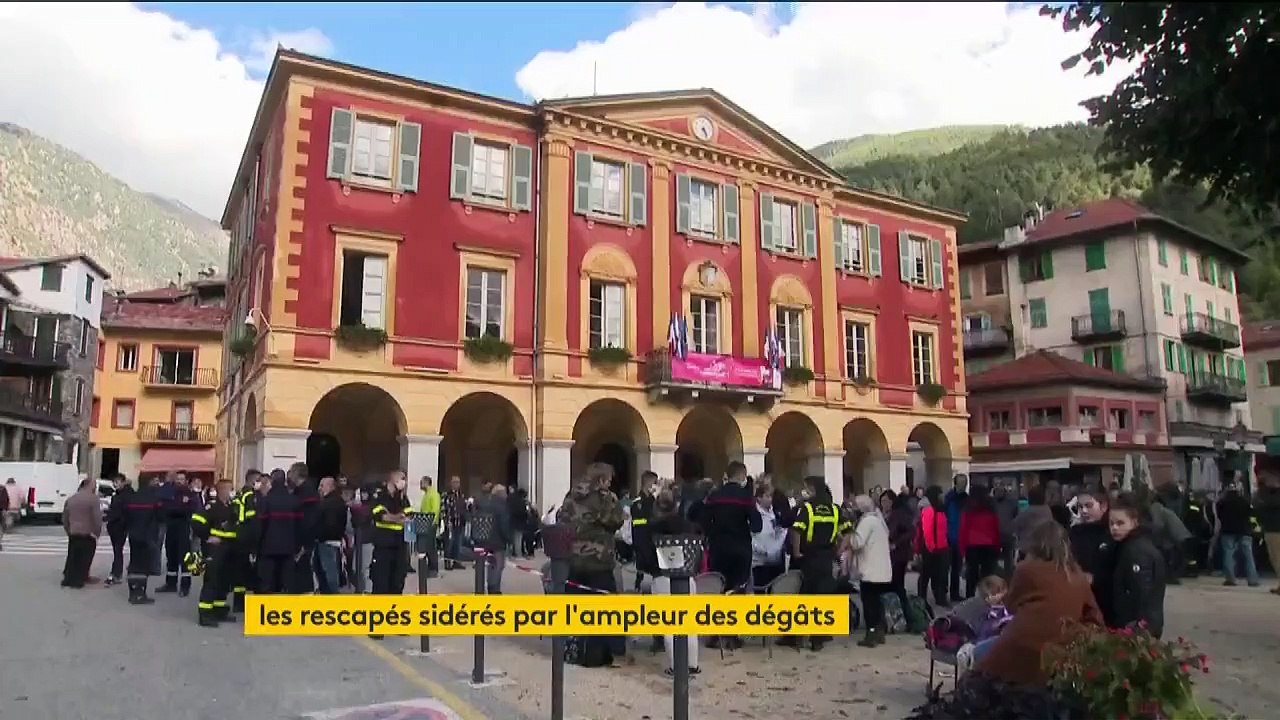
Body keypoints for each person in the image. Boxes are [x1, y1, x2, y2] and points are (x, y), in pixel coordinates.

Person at [974, 521, 1103, 686]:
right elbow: (1093, 614)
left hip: (1023, 643)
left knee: (980, 660)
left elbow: (1010, 605)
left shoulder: (1026, 569)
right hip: (1062, 648)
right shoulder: (1076, 574)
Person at [557, 463, 624, 667]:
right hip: (599, 559)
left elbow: (562, 518)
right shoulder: (607, 498)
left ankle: (572, 650)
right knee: (605, 608)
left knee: (575, 607)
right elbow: (616, 520)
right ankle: (604, 653)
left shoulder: (571, 495)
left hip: (574, 558)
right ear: (602, 479)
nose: (610, 482)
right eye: (609, 478)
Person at [779, 475, 848, 651]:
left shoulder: (808, 508)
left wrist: (796, 552)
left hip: (809, 557)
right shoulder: (834, 509)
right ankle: (817, 638)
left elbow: (796, 530)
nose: (804, 491)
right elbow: (848, 531)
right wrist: (839, 551)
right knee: (822, 597)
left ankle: (795, 636)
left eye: (807, 488)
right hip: (827, 557)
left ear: (813, 490)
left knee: (804, 597)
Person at [647, 488, 701, 677]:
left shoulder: (652, 528)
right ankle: (692, 662)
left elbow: (646, 556)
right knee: (690, 622)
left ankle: (675, 665)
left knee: (669, 623)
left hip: (662, 576)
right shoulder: (689, 526)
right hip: (687, 576)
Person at [1109, 492, 1168, 637]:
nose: (1114, 528)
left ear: (1134, 522)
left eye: (1120, 523)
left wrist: (1135, 626)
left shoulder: (1136, 550)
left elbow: (1142, 592)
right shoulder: (1131, 545)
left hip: (1139, 628)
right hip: (1142, 624)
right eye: (1111, 523)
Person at [844, 494, 892, 647]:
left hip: (871, 571)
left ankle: (870, 634)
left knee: (869, 603)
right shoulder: (878, 520)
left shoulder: (867, 522)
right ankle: (879, 631)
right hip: (881, 570)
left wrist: (848, 534)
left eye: (855, 507)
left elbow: (857, 542)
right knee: (877, 603)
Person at [191, 478, 237, 626]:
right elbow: (196, 522)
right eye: (230, 489)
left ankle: (219, 610)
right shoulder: (212, 506)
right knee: (212, 580)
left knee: (223, 580)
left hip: (228, 548)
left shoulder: (230, 506)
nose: (232, 492)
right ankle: (205, 614)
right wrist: (207, 536)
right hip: (214, 550)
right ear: (222, 490)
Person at [1067, 485, 1115, 624]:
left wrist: (1096, 579)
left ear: (1103, 506)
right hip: (1080, 598)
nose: (1084, 511)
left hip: (1106, 601)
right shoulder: (1075, 533)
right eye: (1081, 507)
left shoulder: (1112, 533)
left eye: (1089, 506)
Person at [369, 472, 411, 621]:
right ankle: (377, 624)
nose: (404, 482)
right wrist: (396, 518)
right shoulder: (380, 497)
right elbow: (380, 515)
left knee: (397, 584)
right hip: (383, 547)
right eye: (401, 479)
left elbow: (408, 516)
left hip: (399, 547)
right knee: (380, 585)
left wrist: (395, 517)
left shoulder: (403, 499)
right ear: (392, 480)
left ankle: (394, 620)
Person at [256, 469, 301, 594]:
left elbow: (261, 525)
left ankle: (267, 611)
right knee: (287, 582)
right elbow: (299, 525)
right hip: (289, 548)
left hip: (268, 547)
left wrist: (256, 546)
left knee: (267, 583)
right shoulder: (294, 500)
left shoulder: (266, 500)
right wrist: (298, 545)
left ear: (272, 481)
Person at [157, 471, 201, 596]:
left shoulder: (191, 495)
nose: (179, 481)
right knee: (171, 556)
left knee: (185, 557)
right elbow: (165, 507)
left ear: (186, 481)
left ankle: (185, 586)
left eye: (182, 479)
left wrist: (177, 509)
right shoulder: (170, 493)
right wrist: (179, 508)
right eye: (177, 479)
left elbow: (193, 509)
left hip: (184, 528)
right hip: (171, 528)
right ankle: (170, 584)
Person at [124, 475, 163, 605]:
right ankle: (140, 594)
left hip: (134, 534)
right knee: (144, 566)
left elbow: (126, 516)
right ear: (150, 482)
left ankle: (133, 592)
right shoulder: (154, 498)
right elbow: (161, 516)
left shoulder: (132, 497)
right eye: (155, 480)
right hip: (148, 535)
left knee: (134, 563)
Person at [959, 484, 1002, 598]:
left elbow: (963, 530)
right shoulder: (991, 509)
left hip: (972, 544)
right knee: (988, 576)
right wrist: (998, 547)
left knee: (971, 576)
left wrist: (962, 549)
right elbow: (996, 529)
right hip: (989, 545)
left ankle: (970, 599)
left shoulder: (968, 509)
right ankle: (988, 598)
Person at [1215, 480, 1260, 587]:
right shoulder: (1244, 501)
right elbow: (1251, 514)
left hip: (1228, 530)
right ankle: (1252, 579)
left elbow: (1219, 515)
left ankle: (1230, 579)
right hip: (1244, 531)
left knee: (1228, 554)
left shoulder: (1222, 502)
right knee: (1248, 555)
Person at [228, 469, 261, 612]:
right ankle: (241, 604)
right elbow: (252, 520)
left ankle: (238, 602)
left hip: (237, 535)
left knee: (238, 571)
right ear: (253, 480)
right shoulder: (250, 496)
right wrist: (255, 543)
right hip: (245, 536)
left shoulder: (239, 494)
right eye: (258, 480)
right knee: (244, 570)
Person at [61, 478, 102, 588]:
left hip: (73, 532)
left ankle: (69, 577)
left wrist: (68, 530)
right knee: (85, 557)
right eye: (94, 485)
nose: (95, 487)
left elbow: (65, 517)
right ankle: (81, 578)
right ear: (89, 486)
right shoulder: (93, 499)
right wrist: (97, 532)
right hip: (87, 533)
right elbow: (97, 518)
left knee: (73, 556)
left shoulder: (71, 499)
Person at [473, 483, 511, 594]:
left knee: (490, 565)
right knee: (498, 566)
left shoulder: (485, 503)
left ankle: (487, 587)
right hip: (498, 541)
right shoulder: (502, 506)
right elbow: (504, 524)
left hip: (485, 539)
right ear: (501, 494)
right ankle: (494, 589)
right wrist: (508, 538)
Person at [916, 485, 950, 608]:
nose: (942, 496)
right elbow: (927, 531)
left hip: (942, 547)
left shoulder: (941, 509)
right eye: (940, 494)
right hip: (931, 548)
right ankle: (921, 599)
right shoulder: (929, 510)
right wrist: (931, 548)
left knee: (940, 575)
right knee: (926, 575)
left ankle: (940, 598)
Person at [750, 476, 787, 589]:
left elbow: (781, 532)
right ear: (759, 498)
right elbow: (750, 537)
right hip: (759, 561)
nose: (770, 499)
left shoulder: (775, 514)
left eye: (771, 496)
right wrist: (763, 551)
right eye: (767, 496)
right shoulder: (753, 514)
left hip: (775, 561)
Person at [289, 462, 320, 593]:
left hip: (303, 541)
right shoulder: (299, 491)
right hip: (298, 539)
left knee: (303, 574)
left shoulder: (307, 493)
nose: (289, 475)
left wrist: (303, 543)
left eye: (291, 471)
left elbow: (307, 520)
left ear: (297, 474)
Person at [314, 476, 347, 593]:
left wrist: (319, 535)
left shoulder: (329, 503)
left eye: (322, 486)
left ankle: (331, 598)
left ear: (330, 486)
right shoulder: (337, 501)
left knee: (329, 573)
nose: (319, 489)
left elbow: (330, 525)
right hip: (330, 541)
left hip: (327, 542)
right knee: (325, 570)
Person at [631, 471, 659, 591]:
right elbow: (640, 521)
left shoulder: (653, 501)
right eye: (655, 483)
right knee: (643, 573)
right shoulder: (638, 502)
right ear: (648, 484)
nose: (656, 485)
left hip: (652, 540)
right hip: (642, 540)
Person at [943, 474, 969, 602]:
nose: (963, 485)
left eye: (965, 483)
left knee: (956, 568)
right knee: (945, 568)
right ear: (955, 483)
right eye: (961, 482)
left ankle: (954, 593)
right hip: (948, 537)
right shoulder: (949, 499)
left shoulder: (967, 499)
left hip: (960, 538)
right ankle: (943, 592)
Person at [104, 473, 132, 585]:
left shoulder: (125, 495)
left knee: (117, 550)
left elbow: (120, 512)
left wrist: (109, 517)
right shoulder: (118, 495)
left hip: (120, 526)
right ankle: (116, 573)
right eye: (114, 482)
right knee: (117, 550)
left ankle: (116, 574)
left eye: (117, 482)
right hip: (115, 526)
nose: (115, 484)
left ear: (123, 482)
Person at [1256, 472, 1280, 595]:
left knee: (1276, 557)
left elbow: (1265, 504)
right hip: (1272, 528)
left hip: (1274, 529)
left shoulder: (1270, 496)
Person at [441, 475, 467, 570]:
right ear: (451, 483)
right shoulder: (446, 495)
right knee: (449, 544)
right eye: (455, 482)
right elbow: (443, 509)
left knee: (458, 543)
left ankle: (456, 562)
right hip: (450, 523)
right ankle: (447, 562)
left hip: (460, 523)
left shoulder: (461, 495)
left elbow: (464, 508)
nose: (456, 484)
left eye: (458, 482)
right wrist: (446, 522)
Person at [992, 483, 1019, 575]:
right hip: (994, 535)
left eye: (1001, 491)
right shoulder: (991, 503)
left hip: (1007, 535)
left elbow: (1016, 516)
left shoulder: (1011, 503)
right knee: (993, 559)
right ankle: (996, 576)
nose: (999, 493)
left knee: (1008, 558)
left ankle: (1008, 577)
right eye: (997, 491)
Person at [418, 475, 441, 575]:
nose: (420, 484)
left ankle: (433, 568)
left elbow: (435, 510)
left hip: (430, 524)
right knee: (427, 547)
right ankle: (429, 567)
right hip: (424, 524)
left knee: (430, 547)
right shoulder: (426, 494)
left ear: (427, 483)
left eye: (421, 482)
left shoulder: (434, 494)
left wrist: (431, 523)